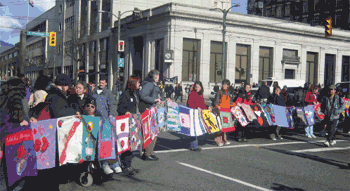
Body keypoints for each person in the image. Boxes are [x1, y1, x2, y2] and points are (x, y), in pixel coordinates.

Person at [91, 75, 121, 173]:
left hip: (106, 121)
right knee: (98, 143)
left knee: (109, 142)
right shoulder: (94, 92)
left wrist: (111, 115)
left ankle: (113, 163)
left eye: (103, 81)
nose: (101, 83)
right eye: (100, 81)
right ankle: (104, 163)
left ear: (106, 83)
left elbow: (112, 105)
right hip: (96, 121)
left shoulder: (108, 93)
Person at [116, 75, 142, 175]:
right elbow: (120, 109)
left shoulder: (135, 94)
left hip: (133, 122)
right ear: (133, 83)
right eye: (138, 82)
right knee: (126, 145)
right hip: (126, 123)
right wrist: (125, 112)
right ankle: (125, 165)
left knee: (132, 144)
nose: (139, 84)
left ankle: (128, 165)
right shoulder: (125, 94)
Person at [139, 70, 165, 161]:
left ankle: (148, 152)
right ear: (154, 77)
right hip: (149, 110)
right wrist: (154, 100)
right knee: (151, 133)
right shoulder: (149, 84)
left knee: (151, 132)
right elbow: (143, 96)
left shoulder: (151, 84)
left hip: (151, 110)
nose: (158, 78)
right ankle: (147, 153)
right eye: (157, 76)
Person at [187, 81, 212, 151]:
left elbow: (202, 104)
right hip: (193, 113)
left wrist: (207, 107)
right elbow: (189, 104)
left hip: (199, 113)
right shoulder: (192, 93)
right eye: (196, 87)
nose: (196, 88)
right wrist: (196, 107)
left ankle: (194, 145)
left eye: (198, 87)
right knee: (194, 130)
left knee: (196, 129)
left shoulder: (201, 94)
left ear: (201, 87)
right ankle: (194, 146)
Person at [213, 79, 235, 146]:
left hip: (227, 111)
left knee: (225, 127)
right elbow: (215, 102)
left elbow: (230, 103)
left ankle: (224, 139)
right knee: (220, 127)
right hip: (221, 111)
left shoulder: (229, 93)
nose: (224, 86)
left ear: (228, 86)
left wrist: (236, 104)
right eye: (223, 84)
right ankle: (218, 140)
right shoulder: (219, 92)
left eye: (225, 84)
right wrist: (217, 106)